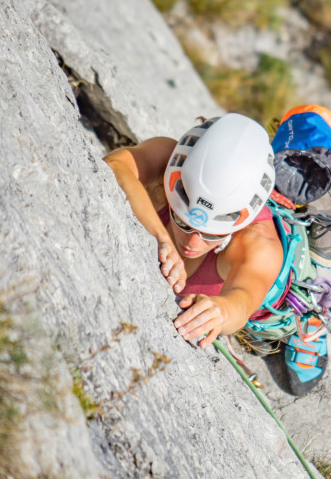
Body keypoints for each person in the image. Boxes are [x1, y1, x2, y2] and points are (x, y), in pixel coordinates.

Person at [102, 114, 284, 353]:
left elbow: (244, 299)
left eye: (212, 234)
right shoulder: (166, 157)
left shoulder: (260, 244)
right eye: (182, 221)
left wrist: (222, 310)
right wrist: (161, 236)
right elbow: (115, 165)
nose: (192, 242)